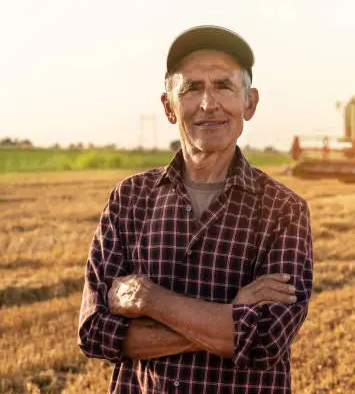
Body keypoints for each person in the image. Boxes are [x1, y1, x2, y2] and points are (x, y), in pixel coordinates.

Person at [77, 25, 314, 393]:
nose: (208, 104)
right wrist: (230, 315)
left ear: (249, 102)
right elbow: (95, 333)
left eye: (223, 85)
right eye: (191, 88)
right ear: (168, 106)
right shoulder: (129, 199)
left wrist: (148, 299)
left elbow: (264, 340)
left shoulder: (283, 210)